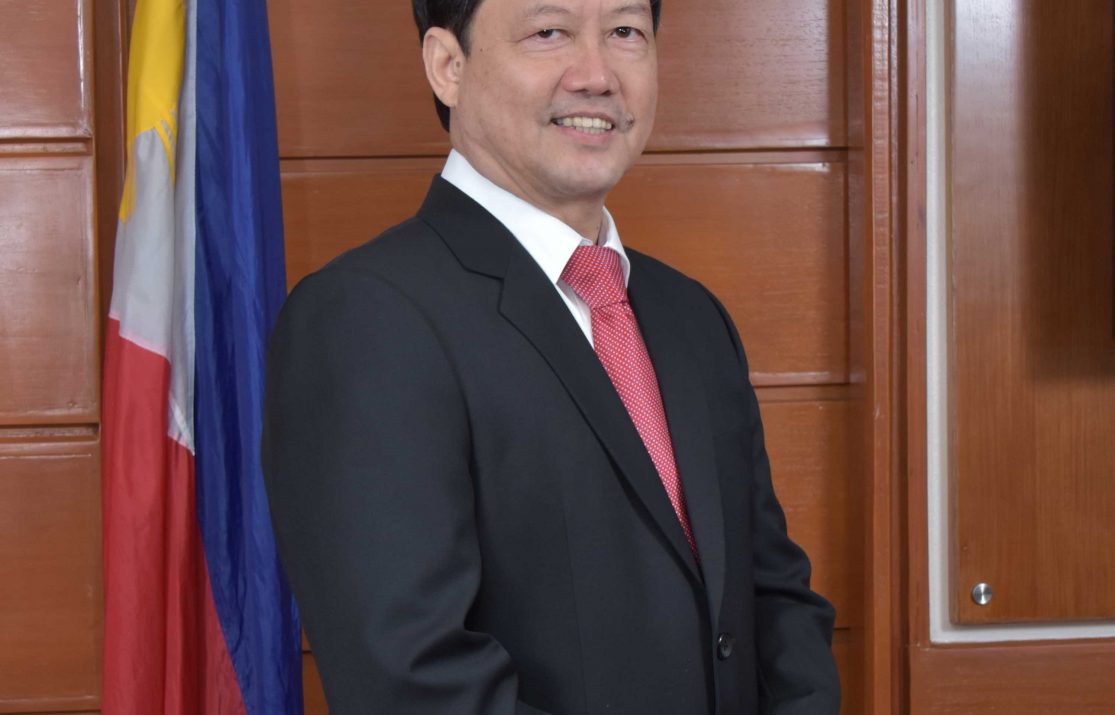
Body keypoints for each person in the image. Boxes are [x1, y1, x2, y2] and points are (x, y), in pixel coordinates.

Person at [261, 0, 841, 712]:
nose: (596, 74)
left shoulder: (691, 316)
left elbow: (773, 597)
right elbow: (414, 681)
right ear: (447, 66)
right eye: (549, 32)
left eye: (625, 32)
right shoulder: (366, 320)